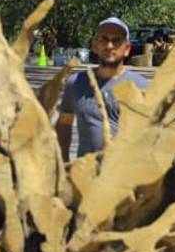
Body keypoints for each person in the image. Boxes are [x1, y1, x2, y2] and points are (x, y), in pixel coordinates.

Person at [55, 17, 150, 160]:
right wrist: (63, 166)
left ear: (127, 49)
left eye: (116, 40)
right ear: (95, 45)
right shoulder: (76, 84)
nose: (109, 45)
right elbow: (64, 124)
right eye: (104, 39)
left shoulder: (142, 87)